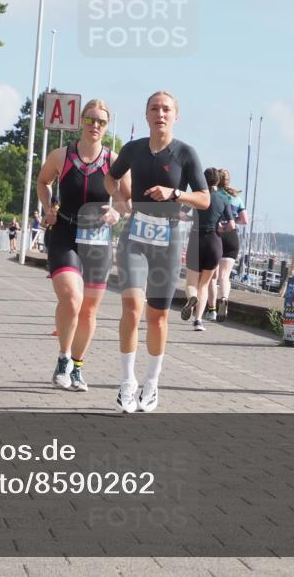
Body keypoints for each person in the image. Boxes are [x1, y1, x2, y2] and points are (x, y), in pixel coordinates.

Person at [105, 91, 209, 412]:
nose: (160, 114)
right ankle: (127, 381)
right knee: (132, 307)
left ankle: (151, 383)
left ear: (175, 116)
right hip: (135, 235)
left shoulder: (185, 154)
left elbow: (204, 198)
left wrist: (175, 192)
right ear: (146, 114)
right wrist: (120, 200)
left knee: (158, 316)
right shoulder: (133, 149)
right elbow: (111, 178)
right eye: (154, 108)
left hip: (169, 238)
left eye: (166, 109)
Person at [37, 99, 125, 392]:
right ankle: (63, 358)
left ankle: (77, 367)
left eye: (101, 121)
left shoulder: (114, 162)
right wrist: (48, 206)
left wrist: (117, 212)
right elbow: (43, 182)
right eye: (90, 120)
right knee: (71, 298)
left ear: (107, 126)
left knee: (88, 311)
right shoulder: (61, 156)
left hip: (98, 240)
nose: (95, 126)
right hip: (64, 231)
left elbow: (129, 199)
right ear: (81, 122)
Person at [180, 168, 234, 331]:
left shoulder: (197, 196)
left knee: (191, 283)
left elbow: (180, 215)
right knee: (204, 284)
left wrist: (192, 218)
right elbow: (231, 225)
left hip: (196, 239)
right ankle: (198, 321)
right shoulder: (224, 199)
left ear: (202, 180)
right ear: (218, 181)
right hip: (214, 242)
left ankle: (192, 298)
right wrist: (219, 229)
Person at [205, 169, 248, 321]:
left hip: (217, 234)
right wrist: (232, 222)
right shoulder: (237, 198)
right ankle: (224, 298)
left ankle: (212, 310)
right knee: (225, 276)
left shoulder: (215, 196)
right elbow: (244, 220)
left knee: (212, 276)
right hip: (231, 236)